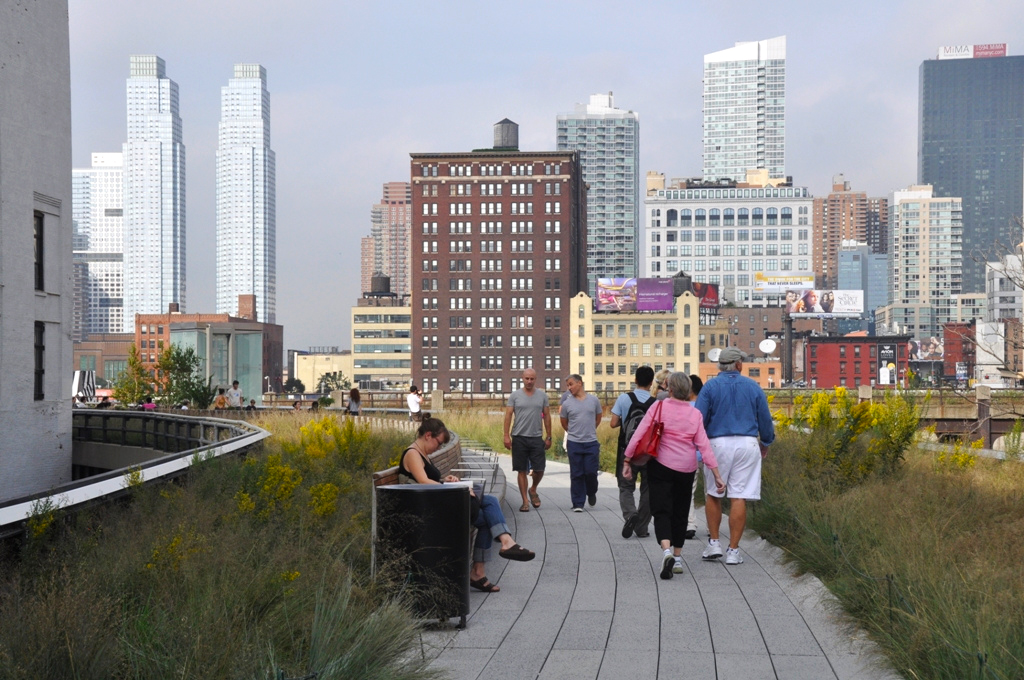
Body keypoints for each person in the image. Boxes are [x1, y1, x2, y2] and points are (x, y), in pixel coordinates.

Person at [400, 417, 535, 593]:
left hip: (435, 503)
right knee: (489, 507)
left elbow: (428, 480)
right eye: (439, 443)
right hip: (429, 511)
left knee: (488, 511)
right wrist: (458, 488)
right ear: (427, 435)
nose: (439, 448)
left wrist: (444, 480)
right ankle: (500, 548)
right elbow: (424, 482)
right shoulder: (412, 454)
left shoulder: (423, 454)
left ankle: (491, 559)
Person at [624, 372, 725, 579]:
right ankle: (677, 558)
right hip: (686, 469)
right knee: (680, 512)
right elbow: (704, 446)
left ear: (669, 389)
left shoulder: (659, 406)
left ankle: (667, 551)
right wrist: (716, 474)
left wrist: (627, 460)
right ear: (688, 391)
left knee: (661, 511)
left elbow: (640, 433)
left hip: (661, 465)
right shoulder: (695, 414)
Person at [695, 347, 775, 565]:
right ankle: (733, 550)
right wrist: (765, 442)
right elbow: (765, 420)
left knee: (713, 493)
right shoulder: (752, 387)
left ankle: (713, 543)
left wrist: (698, 448)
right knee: (739, 496)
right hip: (746, 443)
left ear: (720, 365)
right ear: (739, 364)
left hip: (717, 443)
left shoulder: (710, 387)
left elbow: (699, 419)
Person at [610, 366, 656, 539]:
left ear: (635, 380)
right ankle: (642, 528)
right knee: (648, 489)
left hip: (627, 449)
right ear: (651, 383)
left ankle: (630, 515)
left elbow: (613, 423)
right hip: (649, 454)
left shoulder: (624, 398)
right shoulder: (656, 403)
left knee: (626, 487)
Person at [503, 368, 553, 512]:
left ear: (535, 379)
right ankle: (525, 501)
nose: (529, 381)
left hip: (536, 437)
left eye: (532, 379)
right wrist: (506, 435)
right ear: (522, 378)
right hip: (519, 437)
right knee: (521, 470)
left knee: (540, 469)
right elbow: (508, 415)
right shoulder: (515, 396)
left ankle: (533, 489)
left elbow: (547, 416)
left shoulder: (542, 396)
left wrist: (549, 436)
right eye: (527, 379)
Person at [559, 374, 603, 512]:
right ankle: (578, 503)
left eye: (571, 384)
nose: (569, 388)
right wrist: (574, 432)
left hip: (591, 442)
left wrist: (589, 429)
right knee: (577, 473)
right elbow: (564, 422)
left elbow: (598, 417)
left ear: (580, 383)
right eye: (568, 385)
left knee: (591, 472)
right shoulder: (567, 403)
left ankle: (591, 491)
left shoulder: (594, 400)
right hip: (574, 443)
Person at [685, 375, 705, 540]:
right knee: (711, 492)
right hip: (708, 454)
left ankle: (690, 524)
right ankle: (714, 526)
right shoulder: (706, 407)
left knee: (688, 491)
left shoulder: (683, 408)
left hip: (689, 455)